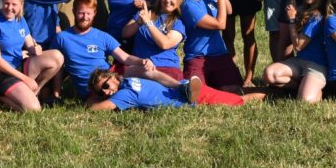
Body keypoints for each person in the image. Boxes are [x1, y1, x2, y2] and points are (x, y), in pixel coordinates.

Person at [51, 0, 181, 101]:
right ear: (73, 12)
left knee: (143, 71)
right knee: (130, 92)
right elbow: (58, 68)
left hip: (111, 77)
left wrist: (142, 61)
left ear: (95, 13)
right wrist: (56, 93)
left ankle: (180, 87)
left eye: (88, 13)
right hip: (94, 89)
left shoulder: (102, 36)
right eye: (81, 13)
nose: (85, 17)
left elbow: (125, 57)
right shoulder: (62, 38)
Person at [0, 0, 65, 112]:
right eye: (6, 3)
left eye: (14, 4)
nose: (9, 8)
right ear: (2, 1)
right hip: (4, 73)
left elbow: (30, 46)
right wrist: (26, 79)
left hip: (20, 65)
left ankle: (34, 92)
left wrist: (36, 49)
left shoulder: (20, 19)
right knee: (34, 109)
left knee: (57, 56)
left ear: (21, 5)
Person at [261, 0, 332, 103]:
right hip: (299, 62)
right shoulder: (307, 10)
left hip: (316, 66)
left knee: (305, 101)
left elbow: (298, 46)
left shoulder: (318, 17)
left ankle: (315, 89)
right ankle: (304, 85)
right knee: (269, 74)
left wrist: (292, 20)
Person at [177, 0, 243, 94]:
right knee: (197, 94)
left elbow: (229, 10)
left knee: (234, 91)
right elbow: (220, 24)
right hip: (197, 57)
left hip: (219, 54)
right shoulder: (187, 6)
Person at [86, 71, 267, 111]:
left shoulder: (126, 93)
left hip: (191, 98)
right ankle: (273, 93)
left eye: (105, 86)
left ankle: (275, 95)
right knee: (238, 98)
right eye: (101, 92)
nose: (106, 93)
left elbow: (93, 109)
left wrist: (92, 99)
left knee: (241, 101)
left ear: (114, 77)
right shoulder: (129, 82)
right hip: (188, 90)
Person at [122, 0, 187, 80]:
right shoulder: (146, 13)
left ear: (179, 1)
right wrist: (139, 22)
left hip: (165, 67)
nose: (168, 0)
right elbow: (125, 34)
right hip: (141, 66)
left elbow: (165, 43)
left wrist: (148, 23)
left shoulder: (178, 23)